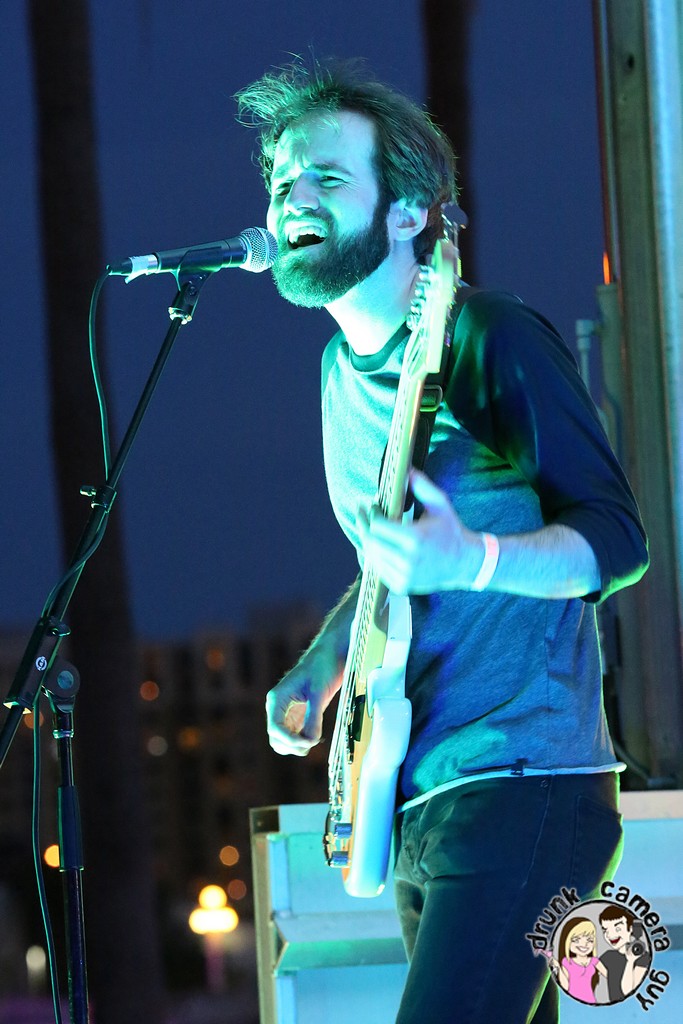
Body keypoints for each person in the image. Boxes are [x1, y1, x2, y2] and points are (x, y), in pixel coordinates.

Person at [236, 59, 649, 1023]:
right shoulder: (337, 372)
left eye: (326, 177)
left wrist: (477, 559)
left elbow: (615, 539)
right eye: (282, 182)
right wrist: (320, 669)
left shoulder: (484, 337)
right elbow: (390, 561)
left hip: (524, 785)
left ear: (409, 212)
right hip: (416, 802)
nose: (291, 199)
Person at [599, 905, 651, 1001]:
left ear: (630, 929)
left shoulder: (643, 957)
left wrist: (630, 961)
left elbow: (627, 991)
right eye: (605, 930)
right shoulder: (608, 956)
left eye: (618, 929)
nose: (610, 935)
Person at [551, 916, 607, 1004]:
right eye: (576, 940)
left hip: (590, 1000)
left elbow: (610, 976)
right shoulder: (566, 962)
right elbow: (566, 986)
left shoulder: (594, 961)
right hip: (572, 1001)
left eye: (590, 940)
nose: (584, 944)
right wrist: (558, 968)